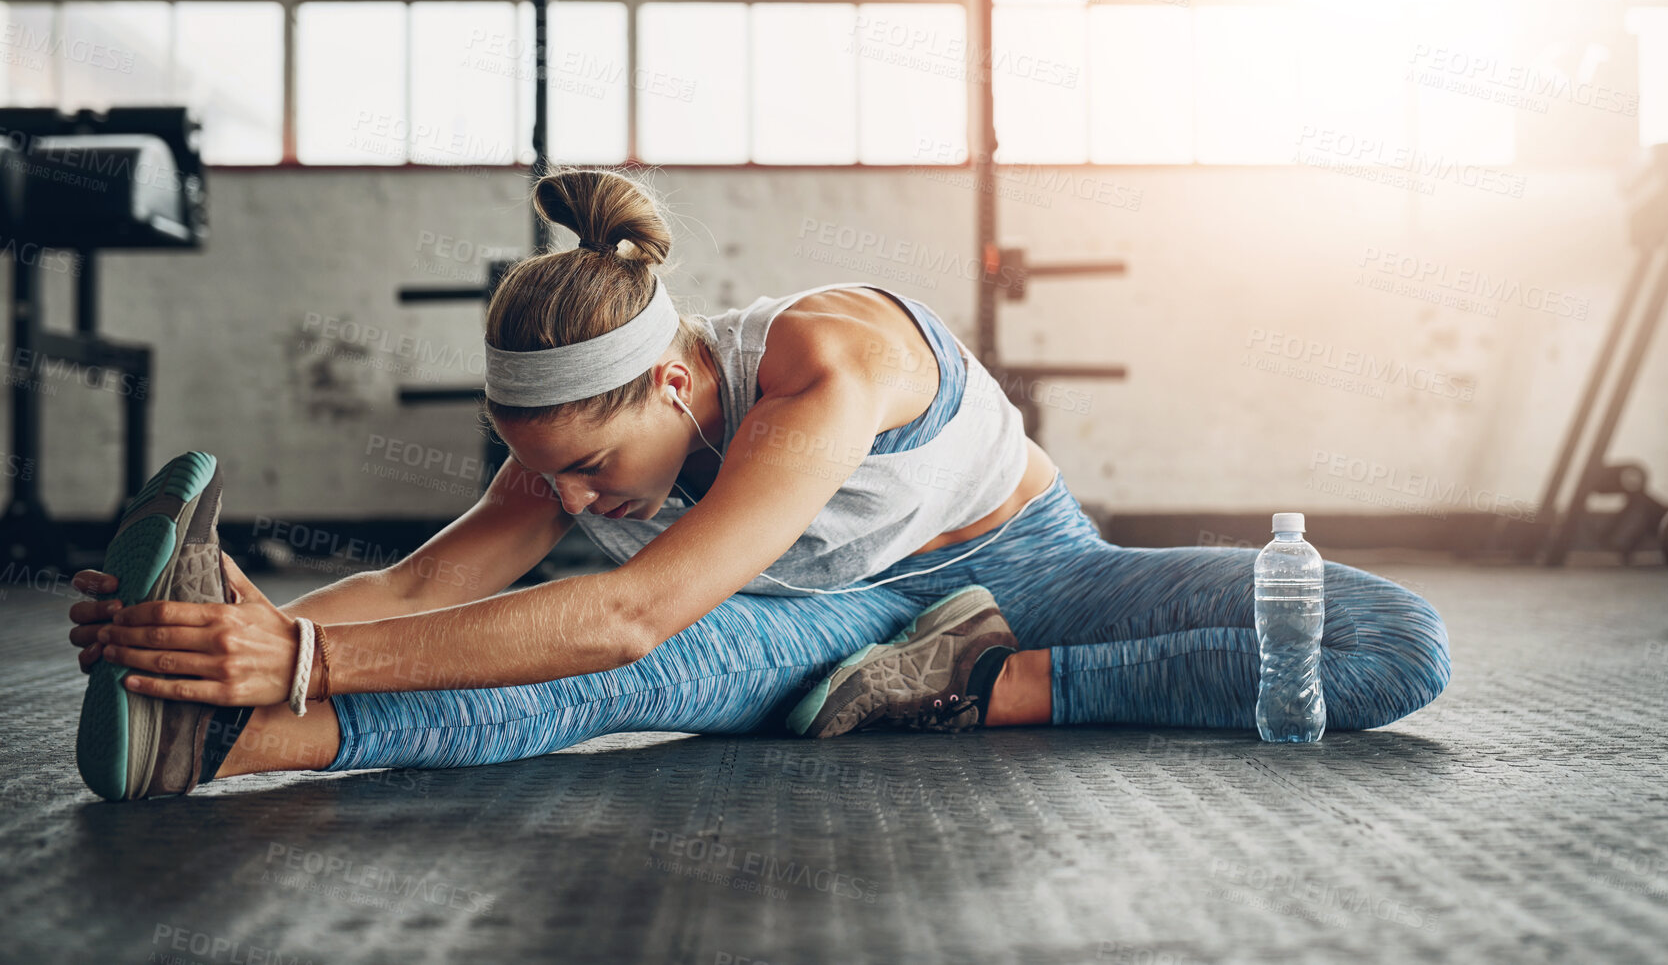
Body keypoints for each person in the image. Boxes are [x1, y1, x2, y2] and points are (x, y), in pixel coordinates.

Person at [68, 168, 1452, 801]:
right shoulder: (589, 432)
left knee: (1398, 643)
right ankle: (214, 744)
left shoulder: (827, 364)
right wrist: (230, 655)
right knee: (616, 693)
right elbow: (435, 584)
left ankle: (971, 689)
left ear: (674, 383)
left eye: (597, 472)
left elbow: (628, 606)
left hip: (1026, 566)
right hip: (831, 628)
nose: (583, 503)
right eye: (550, 482)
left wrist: (299, 652)